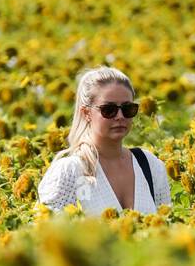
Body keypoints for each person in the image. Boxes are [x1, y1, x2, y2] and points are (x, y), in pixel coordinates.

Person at [38, 66, 170, 216]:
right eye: (109, 109)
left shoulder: (150, 165)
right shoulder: (71, 172)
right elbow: (47, 232)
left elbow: (168, 225)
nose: (120, 116)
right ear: (86, 113)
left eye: (128, 109)